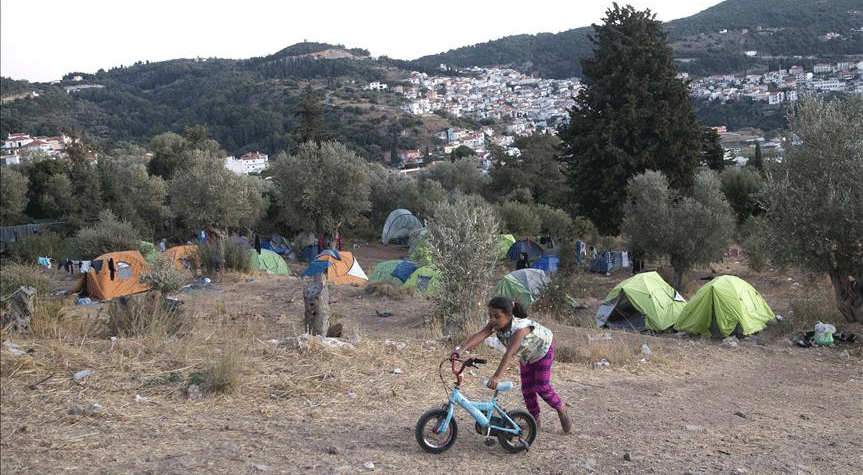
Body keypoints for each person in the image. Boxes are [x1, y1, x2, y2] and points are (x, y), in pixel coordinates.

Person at [452, 296, 571, 433]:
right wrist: (462, 349)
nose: (492, 320)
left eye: (496, 316)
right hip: (526, 354)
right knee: (527, 389)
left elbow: (509, 353)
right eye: (490, 316)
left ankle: (561, 407)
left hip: (543, 350)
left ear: (509, 315)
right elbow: (482, 334)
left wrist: (496, 377)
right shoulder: (496, 323)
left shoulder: (520, 328)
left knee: (542, 387)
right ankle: (534, 421)